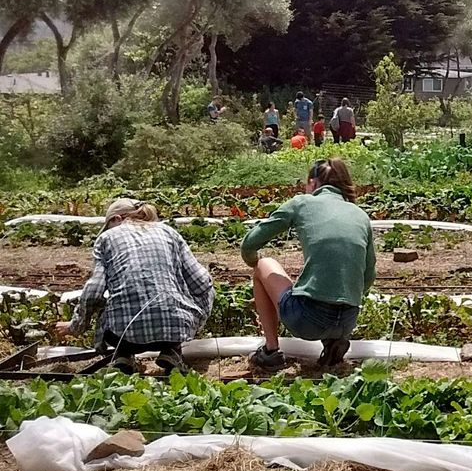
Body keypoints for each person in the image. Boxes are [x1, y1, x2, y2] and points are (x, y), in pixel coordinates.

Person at [241, 158, 375, 371]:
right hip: (348, 320)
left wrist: (251, 262)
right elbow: (367, 278)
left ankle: (271, 352)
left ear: (313, 183)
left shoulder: (302, 203)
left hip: (309, 320)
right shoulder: (360, 215)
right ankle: (333, 341)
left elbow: (250, 243)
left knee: (264, 264)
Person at [53, 199, 213, 374]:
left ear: (116, 218)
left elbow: (93, 291)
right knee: (185, 297)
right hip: (175, 328)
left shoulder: (106, 238)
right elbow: (202, 281)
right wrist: (196, 319)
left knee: (108, 304)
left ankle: (123, 354)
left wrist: (75, 326)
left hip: (121, 335)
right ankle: (172, 351)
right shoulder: (169, 233)